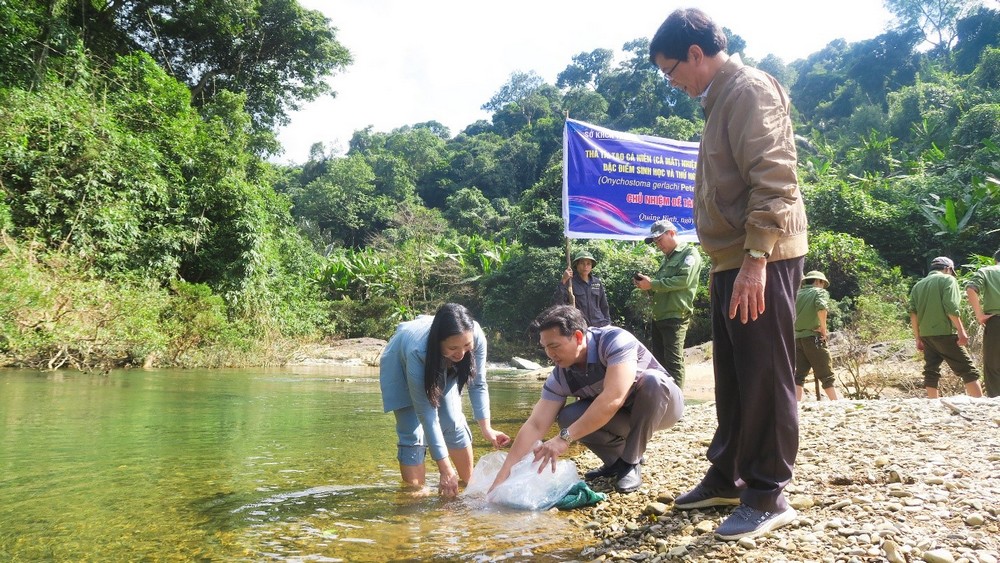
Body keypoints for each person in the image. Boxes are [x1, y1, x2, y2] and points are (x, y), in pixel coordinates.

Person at [648, 8, 808, 541]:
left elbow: (776, 177)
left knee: (764, 372)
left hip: (762, 255)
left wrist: (757, 257)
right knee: (734, 375)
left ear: (695, 53)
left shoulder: (749, 89)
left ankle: (767, 493)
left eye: (671, 71)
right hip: (729, 257)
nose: (673, 83)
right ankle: (728, 478)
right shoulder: (719, 101)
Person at [488, 305, 683, 494]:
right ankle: (617, 462)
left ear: (578, 337)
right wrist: (502, 477)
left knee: (653, 381)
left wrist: (564, 438)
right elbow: (536, 425)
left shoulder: (614, 341)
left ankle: (631, 462)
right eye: (545, 347)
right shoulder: (560, 376)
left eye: (554, 346)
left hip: (663, 408)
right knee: (568, 416)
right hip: (623, 417)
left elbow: (613, 398)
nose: (550, 354)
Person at [379, 303, 510, 497]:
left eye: (466, 346)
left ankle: (469, 485)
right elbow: (427, 414)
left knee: (452, 418)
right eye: (453, 348)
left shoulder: (475, 335)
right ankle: (415, 495)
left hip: (441, 361)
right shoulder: (418, 351)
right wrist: (445, 468)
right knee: (412, 433)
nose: (461, 354)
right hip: (400, 361)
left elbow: (478, 384)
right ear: (438, 342)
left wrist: (487, 428)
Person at [633, 219, 702, 387]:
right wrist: (646, 285)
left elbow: (684, 280)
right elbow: (662, 287)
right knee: (659, 363)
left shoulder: (689, 253)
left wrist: (653, 284)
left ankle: (677, 400)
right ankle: (663, 398)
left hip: (676, 316)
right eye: (655, 242)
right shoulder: (666, 259)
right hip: (659, 316)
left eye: (659, 239)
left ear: (672, 233)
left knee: (673, 362)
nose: (658, 244)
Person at [909, 256, 984, 398]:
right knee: (968, 370)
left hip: (926, 335)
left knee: (931, 370)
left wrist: (918, 338)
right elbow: (951, 307)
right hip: (945, 333)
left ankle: (933, 403)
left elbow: (913, 313)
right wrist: (961, 331)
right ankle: (979, 403)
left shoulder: (918, 285)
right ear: (948, 269)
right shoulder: (948, 280)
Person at [794, 271, 842, 401]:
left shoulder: (797, 294)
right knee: (826, 374)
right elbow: (821, 308)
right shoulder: (819, 292)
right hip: (814, 337)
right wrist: (823, 329)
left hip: (797, 338)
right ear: (818, 281)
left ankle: (796, 404)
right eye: (822, 283)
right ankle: (835, 402)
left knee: (799, 375)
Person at [965, 248, 1000, 397]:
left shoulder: (987, 271)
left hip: (996, 322)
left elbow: (971, 289)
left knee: (993, 366)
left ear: (995, 260)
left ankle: (996, 401)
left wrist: (979, 315)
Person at [553, 249, 612, 327]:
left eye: (588, 264)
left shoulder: (597, 282)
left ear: (591, 266)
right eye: (582, 263)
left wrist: (608, 323)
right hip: (581, 326)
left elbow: (604, 306)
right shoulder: (570, 283)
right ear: (576, 265)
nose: (585, 266)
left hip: (600, 324)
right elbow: (558, 304)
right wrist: (563, 280)